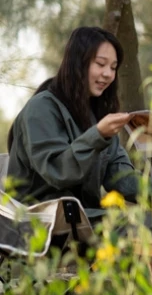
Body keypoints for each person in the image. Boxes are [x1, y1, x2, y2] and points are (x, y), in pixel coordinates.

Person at [7, 26, 138, 229]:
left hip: (84, 218)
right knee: (132, 229)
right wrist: (97, 135)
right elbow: (58, 172)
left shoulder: (99, 116)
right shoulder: (41, 109)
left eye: (113, 68)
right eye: (101, 64)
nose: (108, 74)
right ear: (78, 63)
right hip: (40, 223)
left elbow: (121, 177)